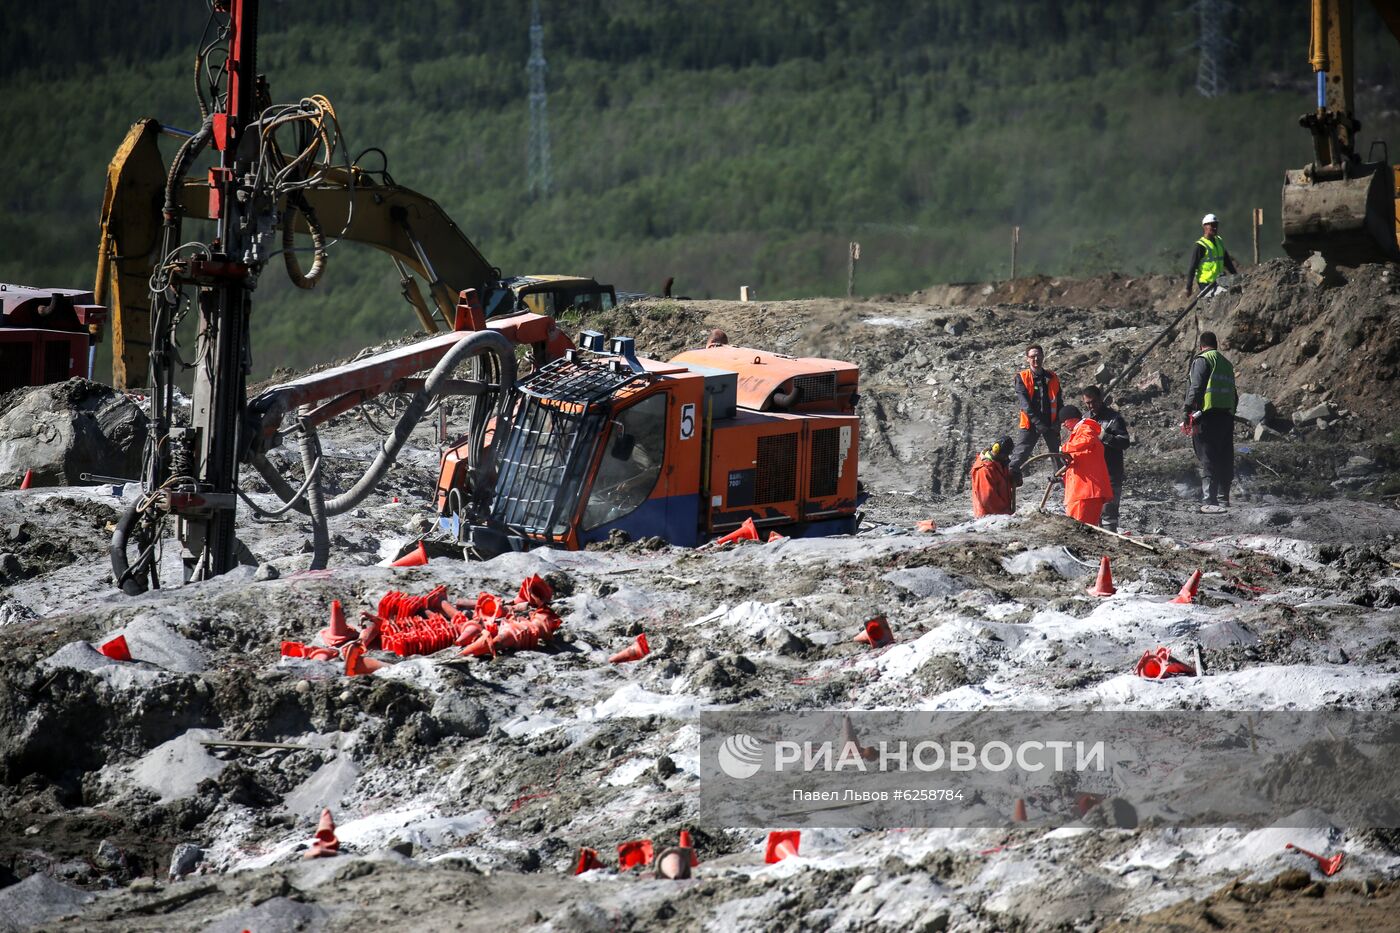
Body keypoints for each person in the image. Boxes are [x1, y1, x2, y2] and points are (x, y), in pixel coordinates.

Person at [1184, 331, 1236, 513]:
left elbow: (1196, 387)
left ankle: (1209, 500)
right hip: (1227, 417)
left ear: (1201, 346)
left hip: (1207, 416)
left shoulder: (1202, 360)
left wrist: (1187, 410)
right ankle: (1224, 499)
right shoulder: (1226, 363)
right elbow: (1234, 394)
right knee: (1224, 456)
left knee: (1208, 456)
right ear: (1217, 344)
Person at [1080, 385, 1130, 531]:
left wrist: (1105, 437)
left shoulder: (1114, 419)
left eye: (1094, 402)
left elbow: (1125, 442)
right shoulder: (1085, 419)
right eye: (1087, 403)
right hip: (1093, 475)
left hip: (1111, 472)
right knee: (1094, 512)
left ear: (1101, 399)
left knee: (1109, 512)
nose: (1091, 406)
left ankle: (1110, 545)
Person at [1056, 404, 1114, 526]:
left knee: (1078, 529)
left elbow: (1087, 440)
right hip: (1084, 492)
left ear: (1072, 419)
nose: (1063, 425)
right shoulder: (1079, 432)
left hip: (1085, 492)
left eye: (1064, 421)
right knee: (1085, 531)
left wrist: (1065, 448)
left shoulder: (1085, 427)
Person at [1009, 344, 1062, 476]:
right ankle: (1006, 480)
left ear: (1043, 356)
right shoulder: (1021, 378)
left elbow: (1059, 401)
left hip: (1051, 423)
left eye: (1038, 356)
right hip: (1031, 424)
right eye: (1032, 356)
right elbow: (1025, 405)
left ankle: (1063, 483)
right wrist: (1038, 423)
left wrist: (1058, 422)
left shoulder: (1052, 377)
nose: (1036, 359)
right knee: (1020, 454)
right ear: (1027, 359)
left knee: (1058, 455)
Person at [1186, 213, 1238, 299]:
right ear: (1204, 226)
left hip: (1220, 281)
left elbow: (1227, 261)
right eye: (1212, 225)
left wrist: (1235, 275)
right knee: (1226, 295)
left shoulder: (1219, 241)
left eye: (1216, 225)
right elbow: (1192, 267)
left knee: (1236, 291)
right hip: (1206, 283)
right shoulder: (1200, 245)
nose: (1215, 227)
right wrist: (1189, 287)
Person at [970, 435, 1018, 517]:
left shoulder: (998, 463)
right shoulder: (984, 470)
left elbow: (1002, 482)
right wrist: (1006, 513)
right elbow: (988, 500)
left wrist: (1015, 478)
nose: (1007, 458)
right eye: (1005, 455)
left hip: (1001, 515)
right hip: (988, 519)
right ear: (999, 453)